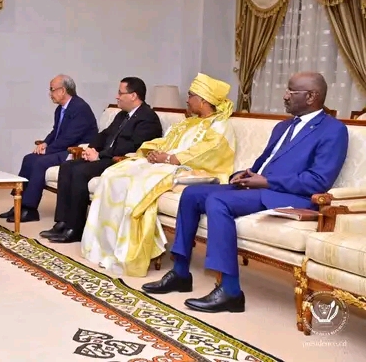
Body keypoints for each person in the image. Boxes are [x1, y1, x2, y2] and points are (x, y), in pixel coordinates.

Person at [142, 72, 349, 313]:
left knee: (218, 200)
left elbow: (318, 180)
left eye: (291, 92)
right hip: (260, 186)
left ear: (311, 96)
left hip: (290, 196)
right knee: (192, 194)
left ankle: (230, 291)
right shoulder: (283, 126)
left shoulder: (333, 130)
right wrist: (244, 174)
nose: (285, 96)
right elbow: (264, 163)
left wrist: (266, 181)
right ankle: (180, 273)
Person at [81, 73, 236, 278]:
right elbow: (165, 141)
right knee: (113, 174)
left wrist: (170, 158)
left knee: (137, 184)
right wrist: (152, 152)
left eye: (191, 95)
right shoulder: (187, 122)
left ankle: (127, 251)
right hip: (166, 163)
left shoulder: (220, 125)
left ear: (204, 100)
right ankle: (103, 246)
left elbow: (208, 153)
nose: (187, 99)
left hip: (192, 169)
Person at [41, 77, 163, 243]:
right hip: (105, 156)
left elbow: (133, 147)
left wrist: (99, 155)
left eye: (120, 93)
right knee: (67, 166)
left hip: (121, 162)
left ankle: (76, 228)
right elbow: (104, 134)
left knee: (79, 172)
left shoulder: (148, 118)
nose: (117, 96)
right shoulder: (122, 115)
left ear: (133, 95)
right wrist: (90, 148)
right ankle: (63, 222)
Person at [0, 75, 98, 223]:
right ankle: (19, 203)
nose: (50, 93)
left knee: (40, 162)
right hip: (62, 148)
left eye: (52, 89)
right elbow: (55, 132)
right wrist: (45, 143)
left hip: (75, 151)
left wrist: (49, 150)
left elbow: (70, 138)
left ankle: (30, 209)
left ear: (62, 90)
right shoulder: (60, 109)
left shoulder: (80, 108)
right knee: (29, 159)